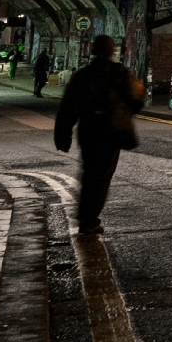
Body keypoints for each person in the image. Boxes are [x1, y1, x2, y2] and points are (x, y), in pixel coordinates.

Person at [53, 35, 144, 236]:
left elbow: (68, 108)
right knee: (102, 176)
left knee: (89, 172)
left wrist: (63, 136)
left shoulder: (82, 75)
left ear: (93, 50)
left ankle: (85, 216)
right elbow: (137, 100)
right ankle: (89, 219)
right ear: (112, 51)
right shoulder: (120, 73)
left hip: (88, 130)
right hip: (110, 131)